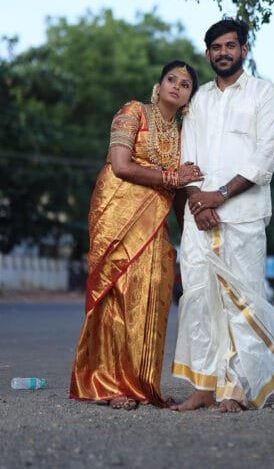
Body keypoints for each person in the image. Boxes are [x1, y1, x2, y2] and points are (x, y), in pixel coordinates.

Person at [170, 19, 274, 413]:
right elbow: (187, 156)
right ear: (207, 53)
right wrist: (198, 201)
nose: (223, 53)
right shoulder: (199, 100)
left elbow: (266, 158)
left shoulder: (265, 94)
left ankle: (235, 387)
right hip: (199, 217)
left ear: (244, 49)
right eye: (216, 47)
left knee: (241, 301)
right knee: (198, 298)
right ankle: (203, 386)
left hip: (243, 215)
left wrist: (220, 196)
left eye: (230, 45)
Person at [69, 60, 202, 410]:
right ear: (158, 85)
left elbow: (181, 191)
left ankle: (141, 384)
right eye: (171, 79)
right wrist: (172, 178)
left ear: (189, 98)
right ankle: (110, 385)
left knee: (152, 293)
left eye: (185, 84)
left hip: (154, 221)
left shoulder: (185, 136)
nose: (176, 86)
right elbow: (120, 165)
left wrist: (190, 233)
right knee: (118, 293)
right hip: (116, 213)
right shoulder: (133, 112)